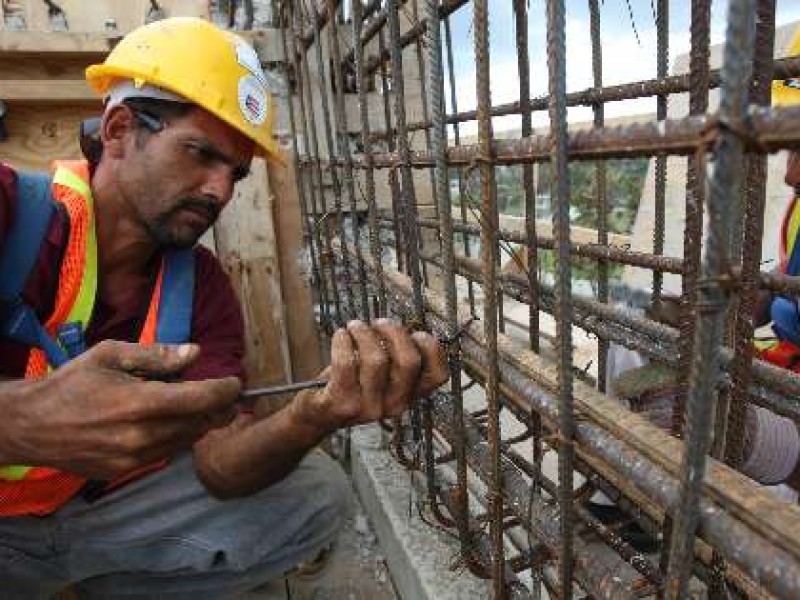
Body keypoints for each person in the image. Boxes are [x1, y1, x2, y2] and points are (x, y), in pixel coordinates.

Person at [0, 17, 448, 599]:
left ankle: (101, 584)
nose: (220, 190)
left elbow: (218, 467)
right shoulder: (13, 213)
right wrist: (20, 421)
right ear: (118, 128)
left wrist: (313, 414)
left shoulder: (200, 285)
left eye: (235, 172)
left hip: (93, 512)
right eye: (200, 154)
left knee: (313, 494)